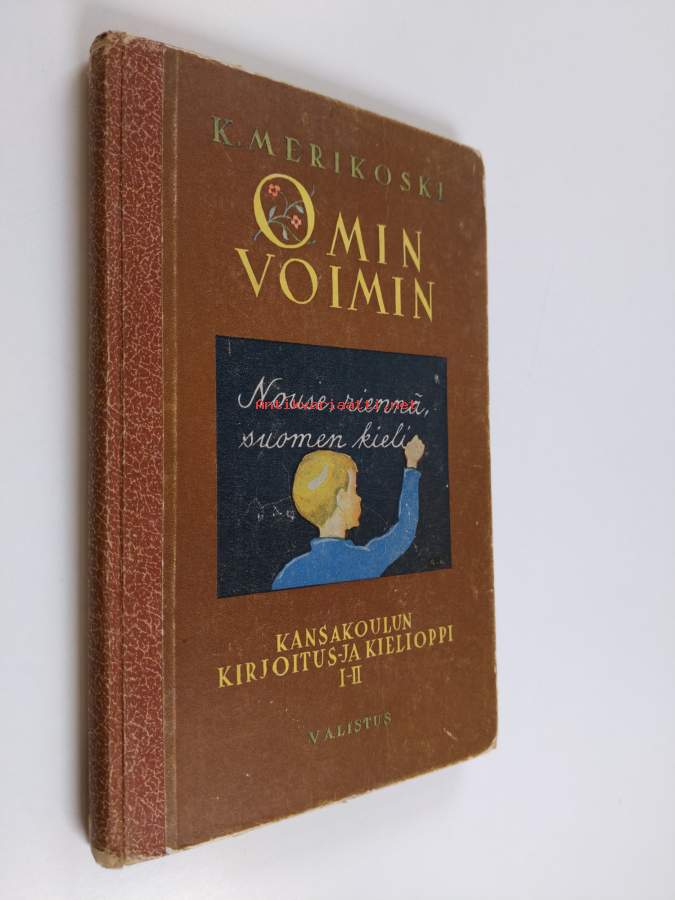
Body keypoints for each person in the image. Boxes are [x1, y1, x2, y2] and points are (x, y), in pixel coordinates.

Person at [272, 435, 425, 590]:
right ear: (340, 498)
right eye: (354, 490)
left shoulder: (289, 575)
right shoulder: (364, 561)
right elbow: (405, 530)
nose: (359, 498)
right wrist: (412, 464)